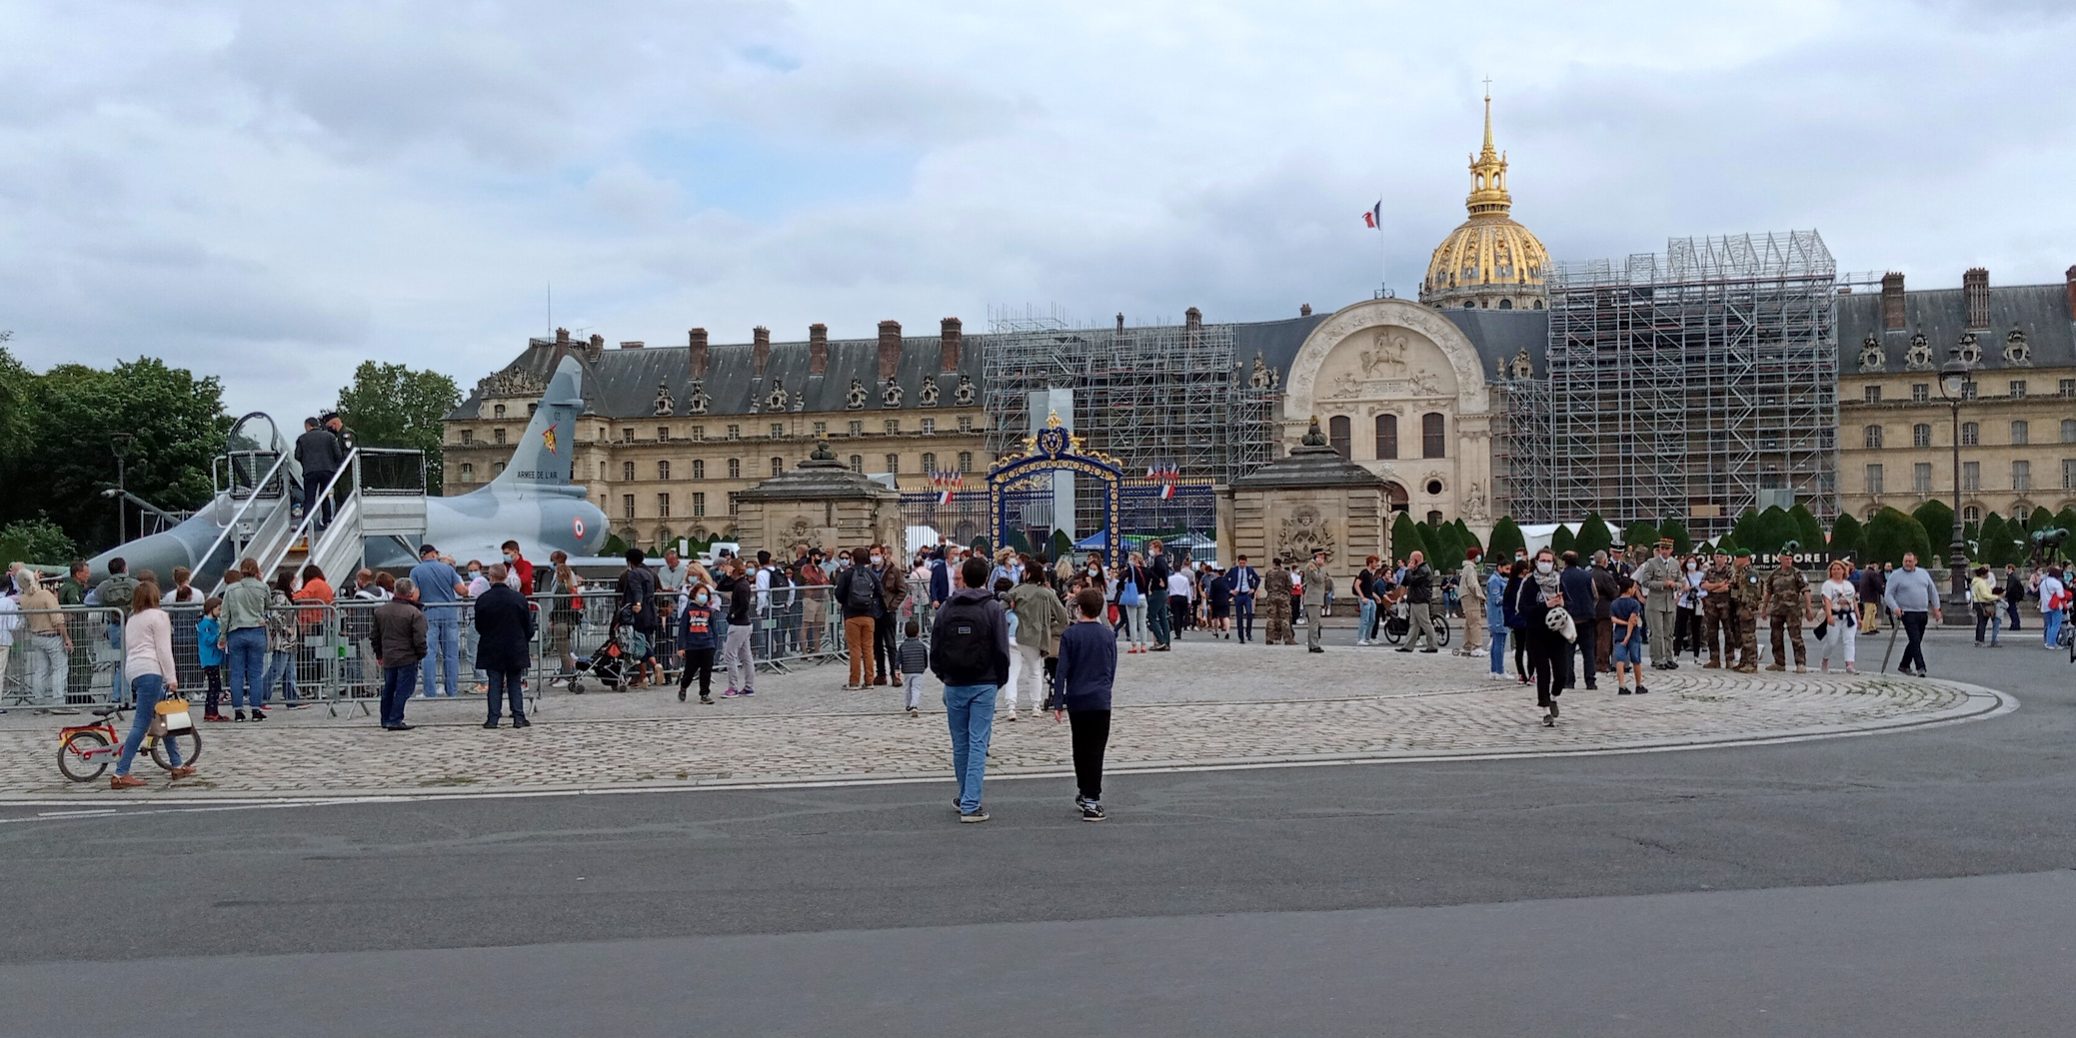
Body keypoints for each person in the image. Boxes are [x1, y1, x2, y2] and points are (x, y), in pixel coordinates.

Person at [932, 556, 1011, 823]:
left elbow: (935, 646)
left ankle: (965, 794)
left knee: (960, 743)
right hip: (984, 681)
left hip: (954, 681)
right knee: (978, 742)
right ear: (986, 577)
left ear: (962, 577)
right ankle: (970, 803)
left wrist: (943, 675)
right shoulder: (992, 608)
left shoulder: (946, 608)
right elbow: (1001, 648)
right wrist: (999, 679)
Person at [108, 581, 195, 789]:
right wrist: (171, 677)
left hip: (134, 670)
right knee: (142, 723)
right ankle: (121, 772)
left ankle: (177, 763)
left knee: (163, 719)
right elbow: (164, 649)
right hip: (151, 669)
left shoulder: (132, 618)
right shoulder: (159, 617)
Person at [1047, 586, 1118, 822]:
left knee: (1080, 746)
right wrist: (1106, 691)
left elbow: (1062, 670)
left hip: (1077, 698)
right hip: (1099, 699)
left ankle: (1083, 789)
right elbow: (1112, 668)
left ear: (1079, 609)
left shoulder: (1070, 634)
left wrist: (1058, 701)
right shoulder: (1108, 635)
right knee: (1096, 750)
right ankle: (1092, 798)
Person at [473, 562, 534, 729]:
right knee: (515, 681)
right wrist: (523, 639)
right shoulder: (519, 598)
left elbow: (479, 626)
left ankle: (493, 718)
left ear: (490, 577)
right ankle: (519, 717)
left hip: (491, 645)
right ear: (506, 576)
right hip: (515, 645)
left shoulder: (483, 600)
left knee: (494, 683)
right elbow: (528, 626)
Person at [1004, 566, 1068, 720]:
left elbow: (1003, 609)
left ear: (1029, 574)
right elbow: (1063, 617)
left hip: (1014, 636)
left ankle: (1011, 707)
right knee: (1035, 671)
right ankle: (1035, 706)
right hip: (1035, 637)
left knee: (1012, 673)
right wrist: (1051, 629)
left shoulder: (1016, 591)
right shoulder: (1047, 594)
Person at [409, 543, 467, 699]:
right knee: (451, 654)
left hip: (429, 614)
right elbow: (461, 590)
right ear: (433, 553)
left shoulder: (416, 571)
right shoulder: (447, 569)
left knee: (429, 654)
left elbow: (415, 596)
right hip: (449, 613)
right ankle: (452, 691)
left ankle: (430, 691)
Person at [1516, 549, 1565, 726]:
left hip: (1557, 633)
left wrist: (1563, 604)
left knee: (1561, 673)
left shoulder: (1560, 581)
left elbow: (1572, 603)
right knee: (1543, 672)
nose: (1545, 563)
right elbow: (1522, 609)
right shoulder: (1529, 583)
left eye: (1548, 560)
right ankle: (1545, 710)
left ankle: (1553, 697)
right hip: (1536, 633)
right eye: (1542, 560)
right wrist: (1545, 605)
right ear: (1536, 562)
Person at [372, 577, 428, 730]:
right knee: (404, 689)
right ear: (411, 593)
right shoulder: (414, 613)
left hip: (389, 656)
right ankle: (395, 718)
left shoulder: (381, 611)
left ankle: (385, 718)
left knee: (389, 688)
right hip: (407, 656)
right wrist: (421, 653)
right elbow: (419, 637)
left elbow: (375, 636)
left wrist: (379, 654)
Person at [220, 559, 269, 721]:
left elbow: (225, 615)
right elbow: (268, 605)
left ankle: (238, 711)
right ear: (256, 570)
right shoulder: (262, 587)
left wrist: (222, 635)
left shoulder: (231, 589)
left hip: (236, 631)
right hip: (256, 630)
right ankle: (256, 709)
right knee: (255, 673)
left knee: (237, 673)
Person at [1882, 552, 1941, 677]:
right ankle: (1921, 667)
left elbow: (1932, 591)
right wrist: (1895, 608)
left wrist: (1936, 608)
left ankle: (1904, 664)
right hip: (1906, 612)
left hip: (1922, 611)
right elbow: (1888, 594)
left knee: (1916, 640)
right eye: (1905, 561)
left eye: (1910, 561)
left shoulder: (1923, 573)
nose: (1907, 564)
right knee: (1914, 639)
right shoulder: (1896, 575)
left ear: (1915, 561)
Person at [15, 568, 67, 708]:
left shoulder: (23, 599)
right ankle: (58, 700)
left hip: (36, 636)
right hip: (51, 635)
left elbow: (30, 588)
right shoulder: (45, 595)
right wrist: (66, 638)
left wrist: (34, 579)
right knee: (59, 668)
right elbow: (57, 618)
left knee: (40, 670)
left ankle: (39, 701)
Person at [837, 547, 884, 689]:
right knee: (868, 649)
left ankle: (854, 681)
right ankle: (869, 680)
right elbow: (879, 591)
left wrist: (846, 601)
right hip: (868, 615)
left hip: (851, 615)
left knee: (855, 649)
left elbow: (839, 593)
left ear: (852, 558)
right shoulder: (870, 573)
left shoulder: (847, 574)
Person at [1761, 552, 1813, 673]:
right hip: (1777, 610)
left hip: (1793, 610)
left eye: (1790, 558)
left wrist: (1808, 608)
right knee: (1776, 637)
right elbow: (1768, 592)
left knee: (1796, 637)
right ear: (1780, 559)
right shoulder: (1774, 574)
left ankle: (1800, 663)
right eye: (1786, 558)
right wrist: (1764, 609)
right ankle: (1779, 662)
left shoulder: (1797, 573)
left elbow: (1806, 590)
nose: (1789, 561)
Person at [1634, 539, 1681, 671]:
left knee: (1669, 632)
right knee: (1657, 632)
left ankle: (1669, 657)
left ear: (1671, 550)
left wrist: (1675, 585)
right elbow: (1645, 582)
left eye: (1667, 549)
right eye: (1663, 549)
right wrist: (1663, 584)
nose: (1665, 551)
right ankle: (1658, 659)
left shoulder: (1675, 563)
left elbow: (1680, 581)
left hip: (1670, 602)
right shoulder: (1651, 563)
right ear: (1659, 549)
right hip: (1655, 601)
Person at [294, 415, 346, 531]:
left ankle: (306, 527)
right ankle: (327, 521)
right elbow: (338, 455)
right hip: (327, 471)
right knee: (325, 496)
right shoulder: (330, 436)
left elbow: (297, 456)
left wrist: (306, 461)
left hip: (310, 472)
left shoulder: (302, 438)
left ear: (308, 426)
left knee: (309, 499)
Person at [715, 557, 757, 697]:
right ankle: (749, 686)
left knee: (730, 655)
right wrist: (726, 576)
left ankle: (733, 687)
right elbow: (720, 587)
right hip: (744, 624)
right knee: (746, 655)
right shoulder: (740, 583)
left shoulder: (741, 585)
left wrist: (732, 615)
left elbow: (744, 605)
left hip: (738, 624)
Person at [261, 571, 303, 709]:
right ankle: (261, 696)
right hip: (283, 640)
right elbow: (275, 616)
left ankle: (292, 699)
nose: (296, 583)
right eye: (294, 580)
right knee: (276, 670)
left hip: (288, 640)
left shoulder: (284, 596)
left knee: (289, 672)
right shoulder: (280, 597)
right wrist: (286, 629)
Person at [1559, 551, 1596, 689]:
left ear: (1565, 562)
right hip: (1586, 617)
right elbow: (1595, 594)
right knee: (1588, 652)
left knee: (1568, 651)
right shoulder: (1587, 575)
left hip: (1569, 618)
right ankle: (1590, 681)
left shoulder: (1561, 577)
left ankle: (1569, 681)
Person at [1816, 560, 1860, 674]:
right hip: (1835, 615)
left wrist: (1859, 617)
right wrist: (1829, 616)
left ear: (1843, 571)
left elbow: (1854, 601)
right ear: (1830, 571)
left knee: (1849, 640)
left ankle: (1849, 664)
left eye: (1838, 569)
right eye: (1834, 569)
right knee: (1832, 642)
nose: (1836, 571)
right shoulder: (1828, 584)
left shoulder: (1848, 584)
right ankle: (1824, 659)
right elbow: (1827, 601)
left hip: (1849, 615)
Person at [1610, 577, 1647, 695]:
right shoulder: (1634, 603)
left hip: (1619, 633)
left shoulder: (1614, 603)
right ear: (1629, 589)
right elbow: (1632, 620)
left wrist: (1623, 623)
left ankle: (1621, 685)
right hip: (1633, 634)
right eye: (1634, 588)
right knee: (1636, 659)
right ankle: (1638, 684)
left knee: (1620, 659)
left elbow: (1613, 619)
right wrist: (1628, 634)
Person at [1699, 549, 1734, 669]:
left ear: (1726, 558)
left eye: (1721, 556)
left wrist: (1712, 588)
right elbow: (1703, 585)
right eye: (1717, 556)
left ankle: (1729, 658)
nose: (1719, 559)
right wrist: (1718, 585)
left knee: (1728, 632)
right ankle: (1714, 659)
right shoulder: (1709, 571)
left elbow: (1728, 587)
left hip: (1725, 606)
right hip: (1710, 607)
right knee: (1711, 633)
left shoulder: (1730, 571)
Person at [1395, 550, 1434, 655]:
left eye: (1411, 559)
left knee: (1425, 623)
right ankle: (1408, 646)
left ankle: (1432, 645)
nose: (1410, 562)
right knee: (1414, 624)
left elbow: (1413, 581)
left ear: (1416, 560)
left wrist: (1408, 570)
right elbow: (1406, 582)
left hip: (1420, 599)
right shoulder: (1417, 570)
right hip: (1415, 599)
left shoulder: (1423, 570)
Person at [1114, 552, 1151, 654]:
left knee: (1132, 622)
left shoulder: (1131, 570)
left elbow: (1120, 579)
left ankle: (1134, 645)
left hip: (1132, 598)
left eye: (1131, 559)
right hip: (1143, 597)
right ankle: (1144, 645)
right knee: (1142, 622)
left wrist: (1122, 588)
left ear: (1135, 560)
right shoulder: (1147, 570)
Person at [1589, 551, 1619, 673]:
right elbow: (1613, 593)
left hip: (1591, 609)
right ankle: (1602, 663)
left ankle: (1592, 661)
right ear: (1604, 561)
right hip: (1604, 609)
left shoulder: (1589, 573)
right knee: (1604, 638)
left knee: (1593, 637)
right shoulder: (1605, 576)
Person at [196, 597, 225, 720]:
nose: (220, 612)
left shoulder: (212, 623)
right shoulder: (206, 624)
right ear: (211, 609)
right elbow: (207, 640)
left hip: (214, 658)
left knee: (215, 686)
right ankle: (212, 712)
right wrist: (219, 635)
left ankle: (211, 711)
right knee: (214, 686)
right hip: (209, 658)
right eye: (219, 609)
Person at [1458, 548, 1487, 659]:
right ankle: (1476, 646)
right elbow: (1473, 584)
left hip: (1465, 596)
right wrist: (1481, 596)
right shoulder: (1470, 568)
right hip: (1470, 597)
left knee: (1469, 623)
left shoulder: (1467, 568)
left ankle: (1467, 645)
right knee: (1475, 622)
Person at [897, 619, 930, 717]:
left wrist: (897, 669)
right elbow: (925, 657)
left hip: (907, 670)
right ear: (918, 632)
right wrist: (924, 666)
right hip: (918, 670)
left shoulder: (903, 646)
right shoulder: (921, 645)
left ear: (905, 633)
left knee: (907, 688)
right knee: (916, 688)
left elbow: (898, 658)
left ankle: (908, 704)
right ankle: (914, 705)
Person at [1485, 558, 1511, 680]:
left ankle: (1495, 670)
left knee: (1497, 643)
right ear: (1499, 568)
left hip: (1500, 615)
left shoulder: (1499, 580)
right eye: (1506, 569)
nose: (1508, 571)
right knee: (1499, 644)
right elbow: (1496, 600)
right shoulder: (1495, 581)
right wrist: (1510, 596)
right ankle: (1499, 670)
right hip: (1498, 616)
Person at [1225, 555, 1260, 644]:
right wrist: (1230, 590)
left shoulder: (1249, 570)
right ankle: (1241, 637)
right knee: (1239, 616)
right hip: (1238, 595)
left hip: (1247, 594)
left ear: (1246, 562)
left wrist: (1253, 589)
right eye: (1240, 563)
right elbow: (1225, 580)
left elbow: (1258, 579)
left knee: (1249, 613)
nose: (1242, 565)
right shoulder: (1233, 570)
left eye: (1243, 563)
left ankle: (1248, 633)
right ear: (1238, 562)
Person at [1969, 565, 2002, 648]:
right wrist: (1996, 597)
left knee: (1980, 622)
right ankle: (1980, 640)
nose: (1988, 575)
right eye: (1987, 574)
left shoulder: (1976, 582)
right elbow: (1985, 594)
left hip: (1977, 602)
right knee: (1983, 622)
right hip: (1983, 603)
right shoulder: (1981, 582)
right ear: (1983, 575)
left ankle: (1978, 640)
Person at [2039, 566, 2068, 651]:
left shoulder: (2043, 583)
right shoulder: (2056, 583)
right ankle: (2052, 643)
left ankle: (2048, 642)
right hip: (2055, 606)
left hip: (2045, 606)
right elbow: (2061, 595)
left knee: (2049, 625)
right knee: (2056, 625)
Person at [1857, 560, 1886, 636]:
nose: (1877, 568)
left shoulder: (1865, 573)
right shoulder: (1873, 574)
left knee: (1873, 611)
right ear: (1874, 565)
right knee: (1869, 612)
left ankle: (1872, 626)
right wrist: (1883, 592)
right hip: (1870, 595)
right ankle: (1865, 628)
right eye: (1876, 566)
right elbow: (1877, 584)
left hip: (1865, 595)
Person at [2003, 562, 2025, 632]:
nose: (2005, 570)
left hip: (2012, 596)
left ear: (2010, 569)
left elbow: (2010, 587)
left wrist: (2006, 593)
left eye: (2006, 569)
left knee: (2013, 611)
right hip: (2014, 596)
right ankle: (2015, 624)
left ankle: (2015, 624)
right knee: (2013, 610)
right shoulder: (2014, 576)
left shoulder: (2012, 577)